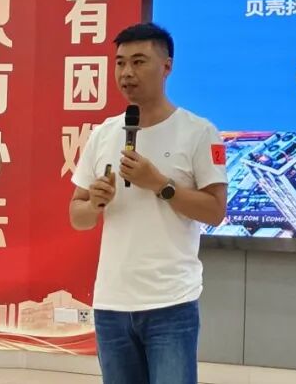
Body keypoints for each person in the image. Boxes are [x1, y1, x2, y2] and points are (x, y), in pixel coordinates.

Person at [70, 23, 228, 384]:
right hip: (111, 304)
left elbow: (216, 211)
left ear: (166, 66)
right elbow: (77, 216)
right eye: (120, 63)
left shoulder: (199, 132)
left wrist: (160, 184)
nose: (126, 73)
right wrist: (94, 203)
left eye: (139, 62)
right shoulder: (103, 134)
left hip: (170, 303)